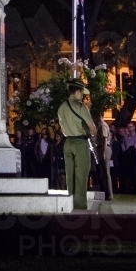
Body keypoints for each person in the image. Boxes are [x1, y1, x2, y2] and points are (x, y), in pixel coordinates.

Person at [56, 78, 96, 210]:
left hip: (67, 142)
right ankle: (79, 206)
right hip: (80, 142)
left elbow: (62, 127)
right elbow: (92, 127)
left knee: (70, 175)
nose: (83, 96)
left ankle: (70, 203)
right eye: (82, 93)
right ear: (78, 91)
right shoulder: (81, 106)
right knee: (81, 176)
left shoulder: (61, 107)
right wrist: (93, 136)